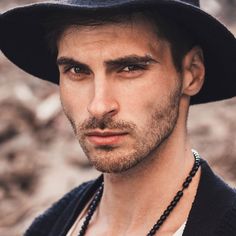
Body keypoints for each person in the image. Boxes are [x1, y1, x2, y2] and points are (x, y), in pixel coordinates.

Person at [1, 0, 236, 235]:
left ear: (192, 73)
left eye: (129, 68)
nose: (98, 106)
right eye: (77, 70)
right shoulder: (48, 228)